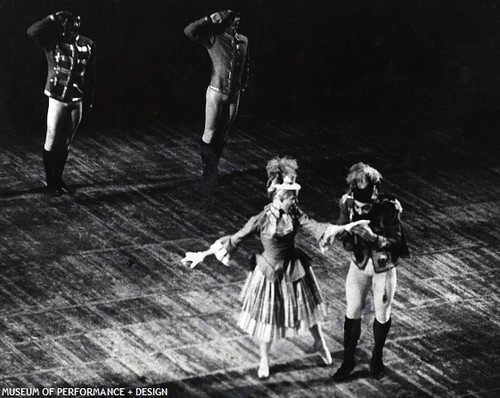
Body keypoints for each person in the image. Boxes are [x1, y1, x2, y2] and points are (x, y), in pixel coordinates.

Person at [182, 157, 368, 378]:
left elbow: (316, 226)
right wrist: (203, 255)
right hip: (269, 272)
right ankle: (264, 359)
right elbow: (234, 239)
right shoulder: (260, 219)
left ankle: (319, 344)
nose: (295, 200)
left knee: (306, 311)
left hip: (294, 269)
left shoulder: (295, 214)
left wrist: (346, 226)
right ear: (279, 197)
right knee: (267, 319)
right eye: (291, 197)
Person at [332, 162, 409, 381]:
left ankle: (377, 358)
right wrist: (340, 230)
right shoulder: (348, 205)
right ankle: (348, 361)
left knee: (382, 312)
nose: (361, 211)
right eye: (358, 206)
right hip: (359, 264)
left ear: (374, 196)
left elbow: (397, 240)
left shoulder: (389, 206)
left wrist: (374, 238)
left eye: (365, 208)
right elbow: (341, 231)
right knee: (352, 310)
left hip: (383, 267)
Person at [27, 10, 96, 196]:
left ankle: (59, 179)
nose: (73, 26)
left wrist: (88, 101)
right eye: (69, 23)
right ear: (62, 25)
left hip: (77, 99)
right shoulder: (53, 43)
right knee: (52, 139)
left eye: (77, 22)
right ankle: (51, 183)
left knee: (65, 142)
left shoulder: (87, 44)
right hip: (58, 98)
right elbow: (32, 31)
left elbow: (91, 77)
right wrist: (52, 17)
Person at [184, 10, 250, 185]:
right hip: (216, 93)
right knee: (210, 131)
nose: (236, 22)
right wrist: (208, 19)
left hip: (234, 95)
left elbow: (246, 65)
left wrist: (242, 86)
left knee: (222, 133)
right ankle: (208, 170)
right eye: (232, 20)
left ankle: (214, 167)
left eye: (238, 19)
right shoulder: (214, 38)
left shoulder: (243, 40)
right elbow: (189, 31)